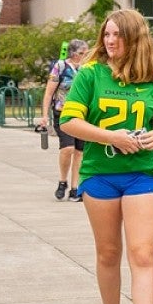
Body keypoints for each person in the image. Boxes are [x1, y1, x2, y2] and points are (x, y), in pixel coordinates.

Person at [60, 9, 153, 304]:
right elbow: (70, 120)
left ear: (134, 38)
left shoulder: (152, 79)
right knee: (108, 253)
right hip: (101, 174)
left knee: (143, 255)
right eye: (107, 34)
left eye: (118, 35)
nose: (110, 41)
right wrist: (110, 137)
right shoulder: (91, 74)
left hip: (142, 174)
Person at [38, 39, 89, 201]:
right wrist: (44, 115)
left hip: (82, 114)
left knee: (80, 151)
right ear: (73, 54)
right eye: (82, 53)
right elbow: (48, 93)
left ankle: (75, 188)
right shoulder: (60, 67)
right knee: (68, 148)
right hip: (63, 113)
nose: (85, 56)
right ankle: (62, 181)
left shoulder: (86, 68)